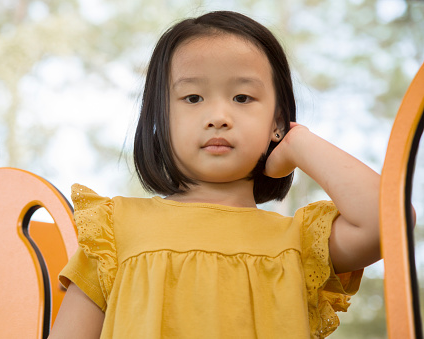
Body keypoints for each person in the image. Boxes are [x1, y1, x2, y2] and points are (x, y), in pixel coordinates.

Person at [49, 11, 384, 339]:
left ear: (277, 123)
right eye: (193, 97)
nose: (218, 116)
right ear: (160, 118)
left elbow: (386, 222)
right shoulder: (113, 232)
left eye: (242, 97)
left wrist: (300, 143)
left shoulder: (299, 244)